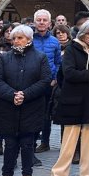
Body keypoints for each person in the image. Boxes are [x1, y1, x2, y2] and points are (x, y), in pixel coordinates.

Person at [49, 21, 89, 176]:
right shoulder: (71, 49)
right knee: (68, 142)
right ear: (82, 34)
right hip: (73, 100)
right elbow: (69, 73)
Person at [0, 25, 51, 176]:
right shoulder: (5, 58)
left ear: (29, 39)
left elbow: (45, 80)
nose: (16, 41)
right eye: (14, 38)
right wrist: (13, 94)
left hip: (31, 107)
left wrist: (25, 94)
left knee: (27, 144)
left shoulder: (40, 57)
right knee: (10, 144)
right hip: (8, 107)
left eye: (20, 38)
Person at [32, 9, 61, 154]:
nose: (42, 22)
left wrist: (55, 78)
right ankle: (30, 141)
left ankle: (45, 143)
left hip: (48, 84)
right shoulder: (29, 38)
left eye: (44, 20)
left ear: (50, 23)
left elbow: (57, 62)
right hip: (31, 83)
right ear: (34, 22)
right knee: (31, 114)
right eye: (39, 20)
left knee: (45, 114)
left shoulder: (55, 42)